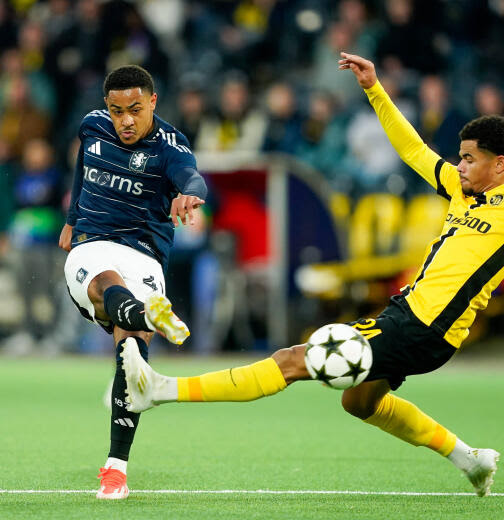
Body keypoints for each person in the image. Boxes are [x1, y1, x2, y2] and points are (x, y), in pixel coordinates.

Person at [121, 53, 503, 497]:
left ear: (500, 165)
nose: (459, 166)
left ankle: (161, 390)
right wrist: (374, 90)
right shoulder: (461, 190)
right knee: (358, 402)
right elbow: (414, 149)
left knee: (294, 359)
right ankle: (470, 459)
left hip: (426, 328)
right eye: (460, 157)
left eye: (470, 159)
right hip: (409, 316)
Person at [59, 64, 207, 500]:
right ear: (107, 106)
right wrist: (70, 220)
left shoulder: (171, 147)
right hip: (92, 246)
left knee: (132, 352)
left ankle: (116, 469)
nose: (125, 120)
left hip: (144, 254)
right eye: (117, 110)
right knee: (107, 282)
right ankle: (149, 313)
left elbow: (191, 176)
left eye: (135, 110)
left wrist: (189, 193)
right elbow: (81, 169)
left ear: (153, 102)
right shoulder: (92, 127)